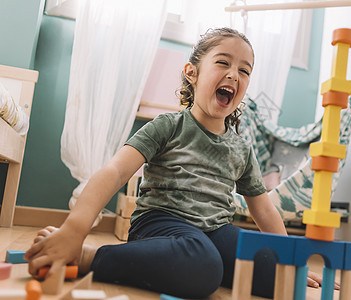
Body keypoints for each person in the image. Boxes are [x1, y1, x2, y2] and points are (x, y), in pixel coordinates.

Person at [25, 27, 334, 299]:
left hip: (215, 230)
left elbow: (263, 209)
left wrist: (289, 259)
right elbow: (116, 170)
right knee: (203, 265)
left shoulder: (241, 148)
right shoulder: (169, 126)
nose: (233, 74)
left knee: (275, 272)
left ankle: (206, 262)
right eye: (223, 62)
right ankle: (92, 257)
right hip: (161, 225)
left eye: (244, 70)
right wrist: (75, 228)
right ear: (192, 72)